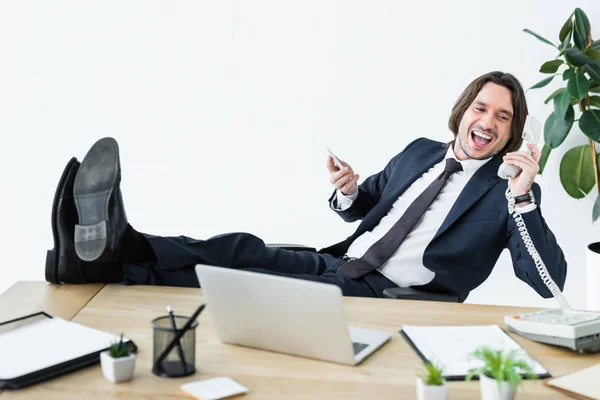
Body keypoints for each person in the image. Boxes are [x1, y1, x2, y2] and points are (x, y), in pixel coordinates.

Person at [46, 71, 567, 302]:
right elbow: (367, 203)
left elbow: (547, 283)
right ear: (462, 113)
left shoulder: (510, 193)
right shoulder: (420, 152)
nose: (488, 122)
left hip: (389, 293)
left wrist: (522, 195)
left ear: (512, 133)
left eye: (503, 117)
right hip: (337, 261)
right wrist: (347, 190)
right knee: (239, 249)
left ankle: (106, 265)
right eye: (481, 108)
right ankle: (121, 245)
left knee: (252, 288)